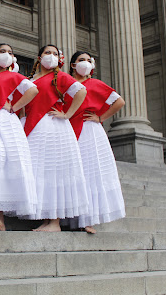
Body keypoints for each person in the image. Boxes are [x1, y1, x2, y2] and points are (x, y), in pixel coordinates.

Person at [24, 44, 89, 232]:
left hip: (53, 126)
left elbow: (81, 91)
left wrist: (68, 114)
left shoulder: (59, 77)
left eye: (54, 54)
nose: (51, 56)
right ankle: (46, 218)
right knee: (40, 170)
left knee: (54, 170)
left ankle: (55, 222)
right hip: (35, 128)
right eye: (47, 53)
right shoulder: (31, 78)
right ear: (39, 57)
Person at [0, 43, 39, 230]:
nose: (7, 55)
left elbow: (33, 90)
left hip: (3, 121)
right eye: (2, 52)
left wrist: (14, 106)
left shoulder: (12, 75)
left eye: (10, 53)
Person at [65, 51, 126, 234]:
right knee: (73, 172)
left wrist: (101, 118)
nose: (85, 63)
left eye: (88, 60)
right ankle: (70, 217)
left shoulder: (96, 84)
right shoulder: (69, 84)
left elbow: (119, 102)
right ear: (73, 65)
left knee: (89, 171)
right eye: (81, 60)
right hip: (70, 129)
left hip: (89, 130)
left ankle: (88, 218)